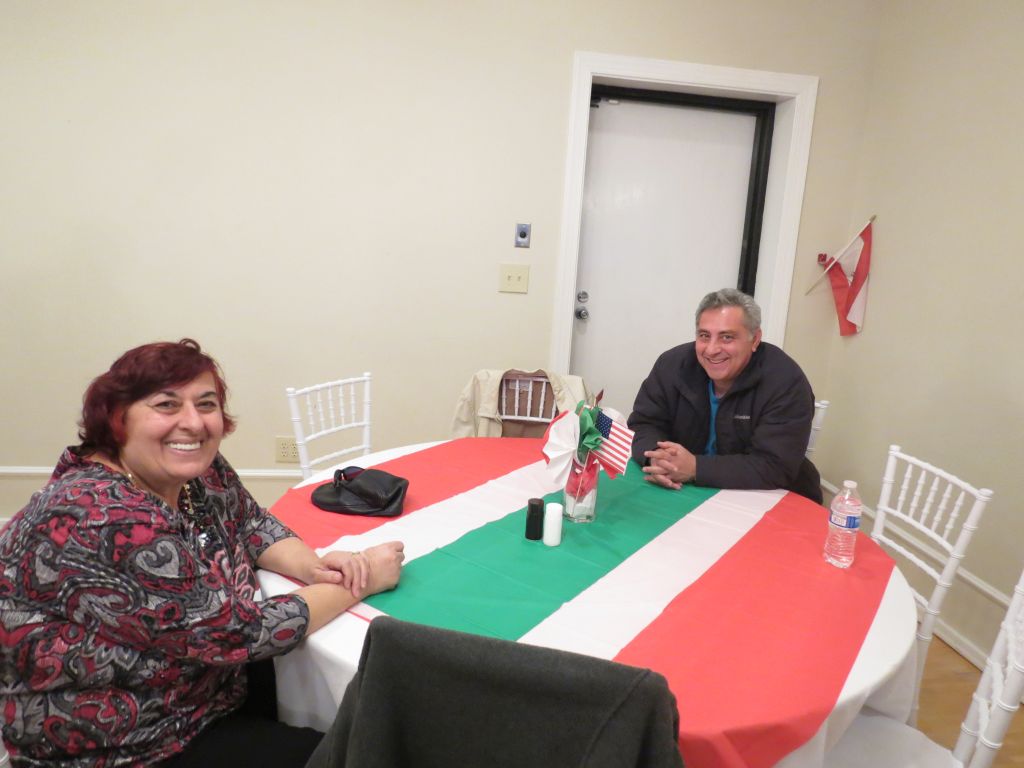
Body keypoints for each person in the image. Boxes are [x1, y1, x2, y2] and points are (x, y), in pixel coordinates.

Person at [0, 339, 405, 767]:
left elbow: (249, 522)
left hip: (205, 685)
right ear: (117, 418)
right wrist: (362, 580)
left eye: (206, 404)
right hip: (128, 742)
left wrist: (316, 567)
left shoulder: (194, 471)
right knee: (358, 755)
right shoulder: (105, 517)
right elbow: (239, 632)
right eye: (167, 405)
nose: (193, 423)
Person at [628, 289, 822, 504]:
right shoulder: (672, 365)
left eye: (727, 337)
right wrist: (656, 457)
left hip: (767, 498)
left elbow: (774, 465)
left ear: (755, 339)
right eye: (704, 336)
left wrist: (695, 468)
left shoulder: (786, 381)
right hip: (685, 492)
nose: (711, 350)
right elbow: (644, 423)